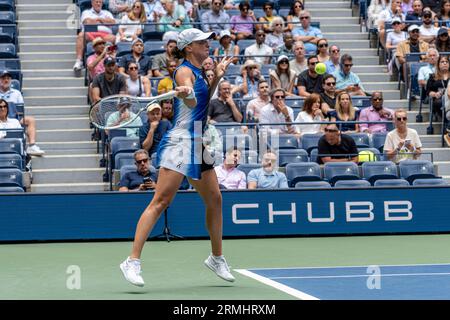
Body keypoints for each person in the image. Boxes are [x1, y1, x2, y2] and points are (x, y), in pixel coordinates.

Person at [119, 28, 235, 287]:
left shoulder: (200, 72)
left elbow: (202, 103)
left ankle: (216, 258)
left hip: (197, 139)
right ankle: (132, 261)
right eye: (202, 42)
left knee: (215, 199)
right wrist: (188, 93)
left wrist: (215, 78)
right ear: (189, 47)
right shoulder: (184, 71)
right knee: (161, 201)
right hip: (180, 142)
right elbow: (193, 104)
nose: (207, 44)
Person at [0, 71, 45, 156]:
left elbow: (21, 111)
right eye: (3, 78)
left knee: (30, 120)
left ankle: (31, 145)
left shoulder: (17, 93)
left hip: (14, 118)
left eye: (8, 78)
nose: (6, 80)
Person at [73, 0, 116, 72]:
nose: (98, 4)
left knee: (114, 38)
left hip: (105, 35)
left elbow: (113, 22)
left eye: (100, 2)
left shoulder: (107, 12)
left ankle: (113, 61)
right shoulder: (86, 12)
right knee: (81, 35)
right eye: (97, 2)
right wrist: (105, 21)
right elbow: (87, 22)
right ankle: (79, 61)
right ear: (92, 3)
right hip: (90, 34)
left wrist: (99, 19)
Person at [426, 54, 450, 121]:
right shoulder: (433, 77)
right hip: (440, 99)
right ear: (438, 64)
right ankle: (446, 122)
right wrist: (435, 94)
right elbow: (428, 91)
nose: (445, 63)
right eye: (442, 62)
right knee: (438, 102)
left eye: (447, 62)